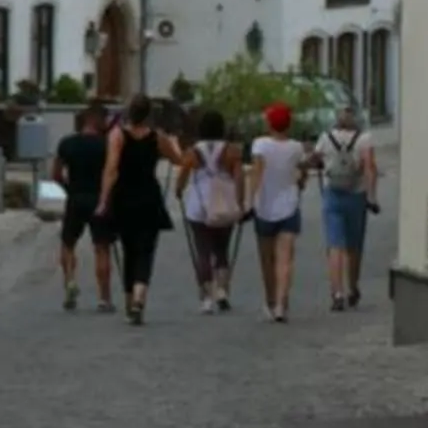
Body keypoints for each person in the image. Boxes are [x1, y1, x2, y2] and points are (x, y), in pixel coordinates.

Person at [94, 93, 183, 326]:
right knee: (146, 250)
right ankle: (140, 296)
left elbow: (111, 169)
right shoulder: (158, 137)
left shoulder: (117, 136)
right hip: (149, 197)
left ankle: (129, 301)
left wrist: (104, 200)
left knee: (129, 250)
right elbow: (178, 160)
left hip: (124, 198)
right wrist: (174, 143)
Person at [243, 100, 309, 324]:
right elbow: (301, 174)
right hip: (289, 206)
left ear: (270, 123)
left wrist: (248, 202)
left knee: (267, 259)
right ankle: (282, 304)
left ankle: (271, 299)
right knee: (285, 259)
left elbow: (256, 173)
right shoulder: (296, 147)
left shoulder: (260, 145)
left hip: (264, 207)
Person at [175, 106, 243, 315]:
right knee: (222, 249)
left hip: (199, 206)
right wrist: (241, 203)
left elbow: (183, 178)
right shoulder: (232, 151)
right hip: (225, 203)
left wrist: (178, 191)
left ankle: (206, 297)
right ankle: (222, 290)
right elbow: (239, 178)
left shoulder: (193, 152)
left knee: (203, 250)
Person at [314, 101, 380, 311]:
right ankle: (353, 287)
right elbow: (370, 167)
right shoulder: (364, 138)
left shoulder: (326, 138)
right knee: (354, 246)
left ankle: (337, 293)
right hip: (356, 195)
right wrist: (372, 196)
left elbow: (316, 159)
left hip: (332, 193)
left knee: (335, 246)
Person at [53, 103, 114, 312]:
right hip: (99, 199)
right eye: (105, 120)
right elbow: (113, 173)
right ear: (95, 120)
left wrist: (68, 188)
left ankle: (70, 281)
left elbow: (56, 174)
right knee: (102, 247)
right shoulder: (106, 145)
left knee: (68, 243)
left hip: (76, 198)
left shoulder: (67, 144)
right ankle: (104, 298)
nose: (107, 124)